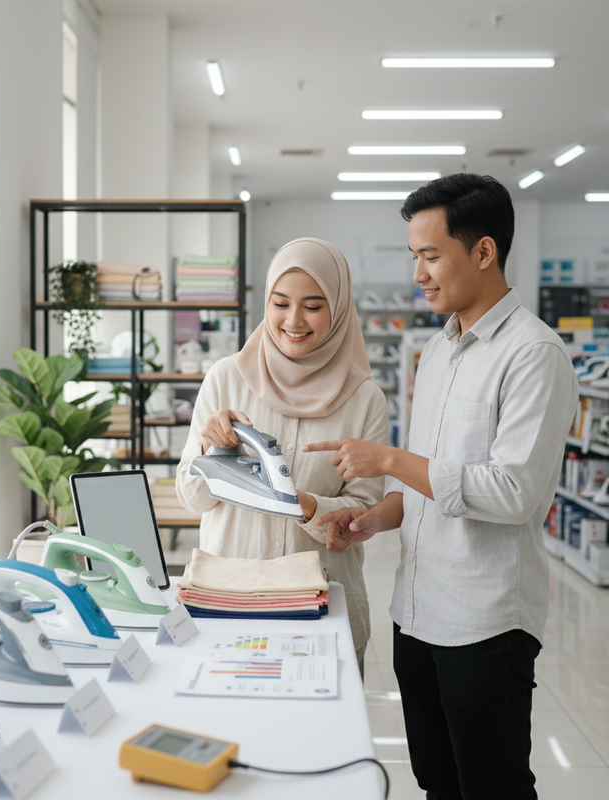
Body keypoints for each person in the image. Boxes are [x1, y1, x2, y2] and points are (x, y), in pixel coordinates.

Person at [303, 173, 579, 800]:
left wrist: (391, 461)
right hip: (417, 612)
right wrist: (376, 519)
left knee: (492, 786)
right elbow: (434, 480)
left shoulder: (535, 355)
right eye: (414, 257)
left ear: (483, 251)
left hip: (484, 623)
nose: (420, 273)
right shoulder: (439, 350)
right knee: (437, 782)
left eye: (431, 255)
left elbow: (514, 492)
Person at [175, 237, 388, 668]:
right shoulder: (225, 379)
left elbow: (364, 512)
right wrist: (212, 451)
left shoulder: (365, 400)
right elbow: (192, 498)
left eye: (313, 305)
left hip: (321, 610)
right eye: (280, 303)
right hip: (229, 603)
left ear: (339, 308)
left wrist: (305, 506)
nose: (294, 320)